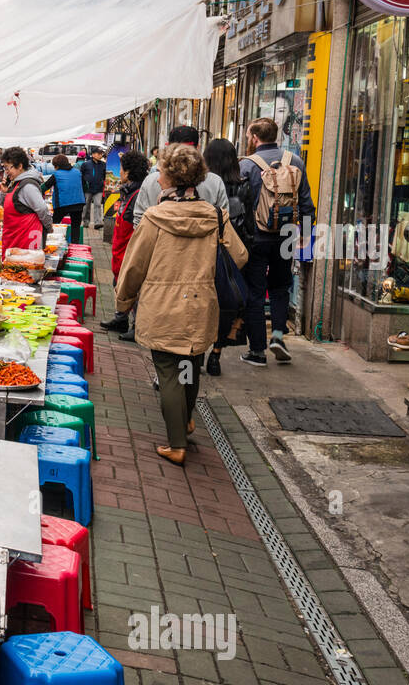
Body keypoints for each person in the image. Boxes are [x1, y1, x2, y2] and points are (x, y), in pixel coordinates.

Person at [114, 144, 247, 466]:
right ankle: (186, 421)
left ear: (171, 177)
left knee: (168, 370)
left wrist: (124, 301)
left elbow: (134, 267)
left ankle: (177, 444)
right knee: (190, 363)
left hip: (162, 304)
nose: (157, 177)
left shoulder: (156, 217)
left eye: (160, 171)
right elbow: (240, 256)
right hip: (202, 304)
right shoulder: (215, 215)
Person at [238, 117, 314, 367]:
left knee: (256, 293)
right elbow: (306, 205)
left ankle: (257, 351)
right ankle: (279, 337)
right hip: (287, 237)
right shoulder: (296, 162)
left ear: (254, 138)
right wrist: (303, 237)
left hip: (257, 238)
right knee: (281, 288)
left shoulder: (247, 166)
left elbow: (240, 206)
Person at [201, 138, 252, 376]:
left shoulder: (204, 182)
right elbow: (249, 221)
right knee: (227, 305)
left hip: (207, 252)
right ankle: (216, 354)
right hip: (232, 251)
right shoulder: (244, 184)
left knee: (203, 302)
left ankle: (197, 352)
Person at [133, 126, 228, 225]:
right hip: (205, 240)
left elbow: (139, 219)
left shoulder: (151, 180)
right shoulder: (215, 182)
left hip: (159, 239)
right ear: (198, 148)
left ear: (169, 149)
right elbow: (223, 220)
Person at [100, 150, 150, 334]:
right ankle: (120, 319)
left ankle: (137, 327)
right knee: (118, 285)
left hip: (129, 251)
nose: (119, 172)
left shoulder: (138, 194)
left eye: (121, 169)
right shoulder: (128, 191)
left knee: (132, 289)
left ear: (128, 172)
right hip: (120, 250)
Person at [0, 146, 53, 256]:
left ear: (19, 166)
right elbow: (7, 207)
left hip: (26, 241)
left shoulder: (28, 185)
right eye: (5, 168)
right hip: (14, 238)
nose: (7, 172)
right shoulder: (15, 183)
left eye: (8, 168)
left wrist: (49, 228)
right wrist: (4, 192)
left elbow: (42, 209)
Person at [40, 154, 87, 243]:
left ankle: (51, 243)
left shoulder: (56, 174)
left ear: (57, 166)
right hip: (78, 204)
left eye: (55, 166)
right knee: (75, 227)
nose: (54, 168)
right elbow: (86, 186)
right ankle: (75, 247)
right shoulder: (77, 172)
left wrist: (35, 190)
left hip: (62, 204)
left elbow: (45, 187)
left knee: (54, 224)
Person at [79, 148, 109, 229]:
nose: (100, 155)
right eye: (98, 153)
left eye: (101, 154)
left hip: (98, 188)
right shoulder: (85, 164)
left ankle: (98, 222)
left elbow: (105, 176)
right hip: (88, 189)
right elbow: (81, 176)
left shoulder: (103, 165)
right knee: (86, 206)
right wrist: (83, 186)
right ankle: (85, 221)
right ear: (93, 154)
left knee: (98, 205)